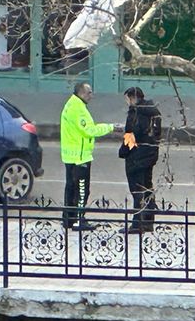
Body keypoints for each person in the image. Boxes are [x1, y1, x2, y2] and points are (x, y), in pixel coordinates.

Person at [60, 82, 121, 231]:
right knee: (82, 190)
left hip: (70, 155)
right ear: (81, 93)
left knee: (70, 188)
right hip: (80, 157)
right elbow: (90, 130)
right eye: (89, 93)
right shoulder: (78, 109)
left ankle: (68, 218)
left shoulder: (70, 104)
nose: (91, 96)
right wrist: (111, 127)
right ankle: (79, 219)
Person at [118, 87, 161, 234]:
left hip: (136, 156)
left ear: (133, 98)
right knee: (148, 187)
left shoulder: (136, 112)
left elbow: (132, 135)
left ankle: (137, 224)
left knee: (137, 190)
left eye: (128, 99)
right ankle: (148, 221)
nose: (127, 103)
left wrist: (123, 151)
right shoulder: (153, 112)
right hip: (150, 155)